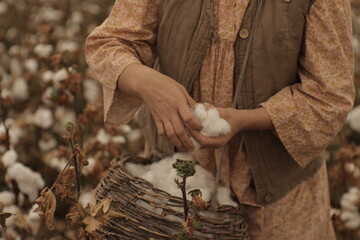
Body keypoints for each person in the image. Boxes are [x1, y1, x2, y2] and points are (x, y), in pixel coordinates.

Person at [85, 0, 355, 239]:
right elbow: (109, 43)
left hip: (278, 204)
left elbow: (329, 96)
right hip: (175, 185)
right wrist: (147, 83)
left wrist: (246, 119)